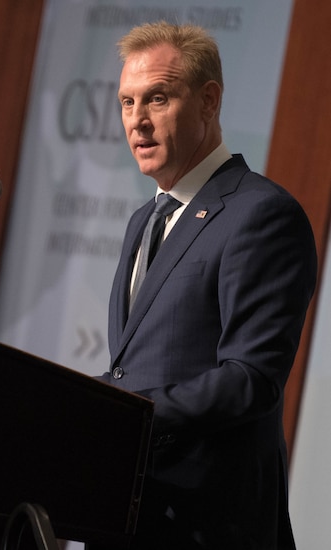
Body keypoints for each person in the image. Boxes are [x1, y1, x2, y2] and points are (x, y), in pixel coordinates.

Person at [97, 21, 318, 549]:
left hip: (214, 524)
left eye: (157, 99)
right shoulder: (143, 221)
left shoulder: (261, 214)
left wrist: (127, 414)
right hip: (136, 516)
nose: (138, 122)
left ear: (209, 101)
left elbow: (251, 378)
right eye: (127, 103)